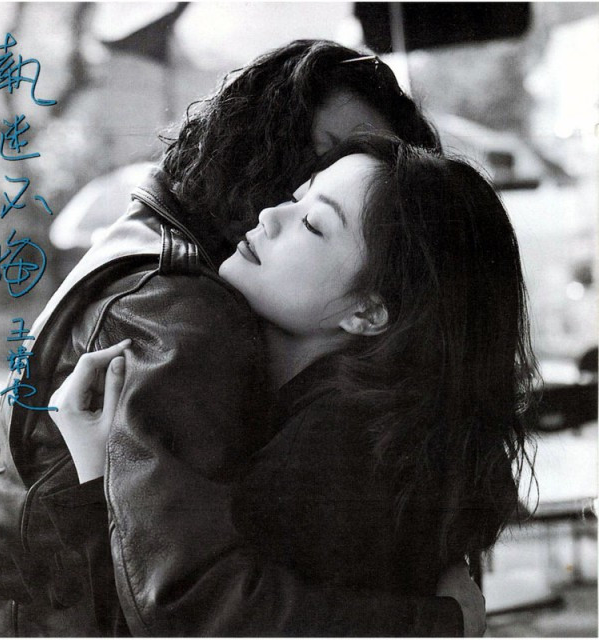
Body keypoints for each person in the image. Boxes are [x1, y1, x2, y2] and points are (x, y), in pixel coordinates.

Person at [0, 40, 476, 637]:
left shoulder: (167, 246)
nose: (362, 177)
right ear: (262, 137)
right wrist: (437, 623)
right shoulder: (182, 308)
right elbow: (189, 606)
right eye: (319, 166)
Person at [51, 134, 536, 636]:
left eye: (312, 223)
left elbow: (198, 620)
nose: (270, 215)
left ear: (368, 311)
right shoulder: (351, 422)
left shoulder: (341, 444)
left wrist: (97, 474)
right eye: (297, 196)